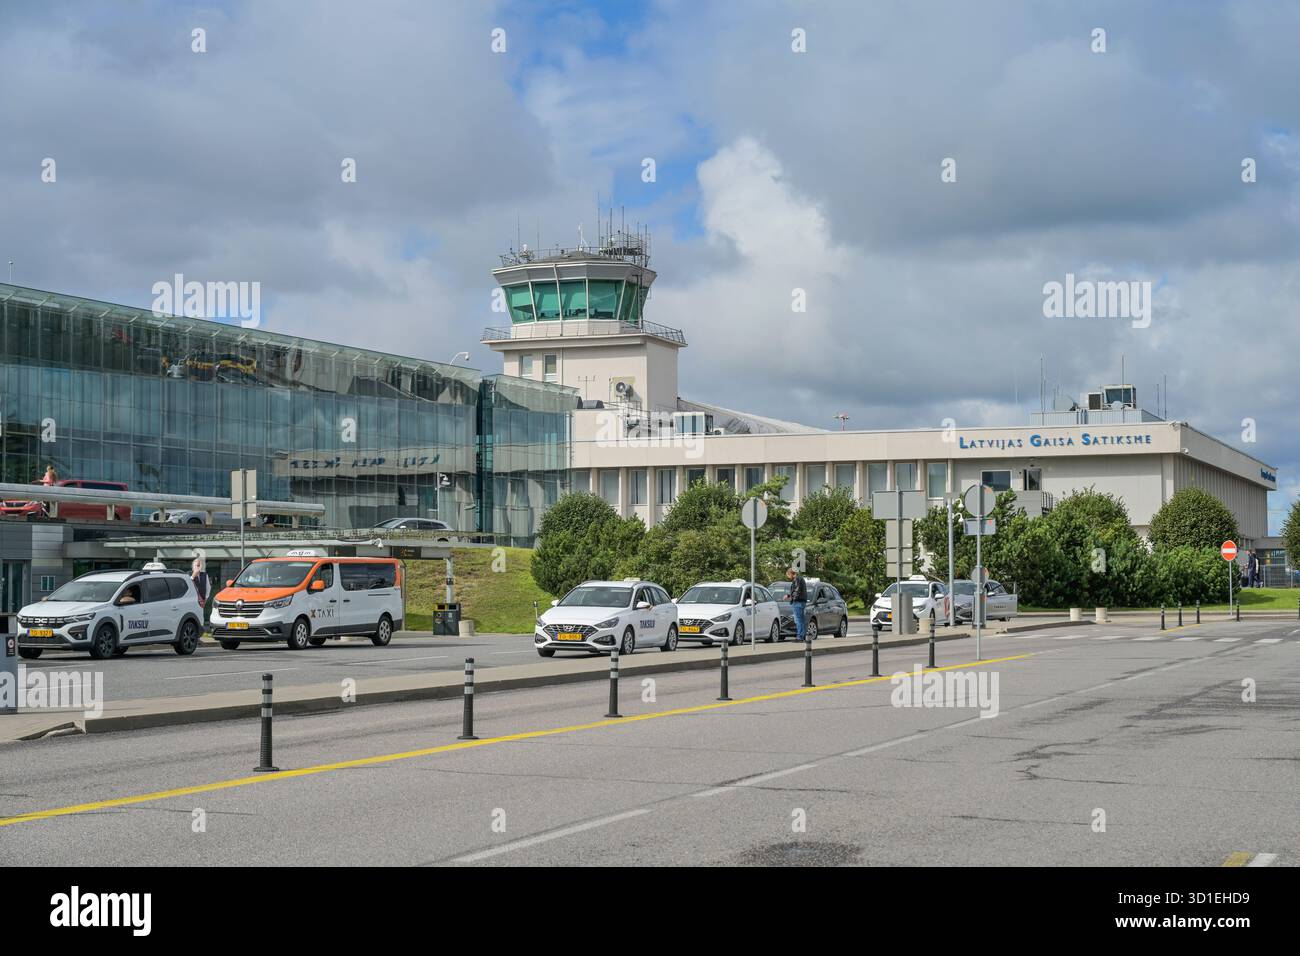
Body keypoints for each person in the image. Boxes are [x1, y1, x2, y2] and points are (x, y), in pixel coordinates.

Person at [785, 567, 808, 642]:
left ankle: (800, 637)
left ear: (791, 573)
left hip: (798, 602)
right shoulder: (799, 579)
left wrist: (792, 598)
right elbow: (796, 590)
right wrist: (789, 596)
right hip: (801, 601)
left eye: (788, 575)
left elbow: (797, 591)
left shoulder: (797, 579)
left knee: (798, 620)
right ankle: (803, 636)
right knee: (801, 620)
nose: (788, 577)